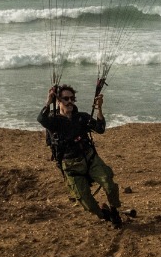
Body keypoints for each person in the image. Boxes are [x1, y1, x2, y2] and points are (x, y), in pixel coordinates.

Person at [38, 80, 124, 227]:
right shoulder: (53, 121)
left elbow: (100, 128)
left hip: (89, 158)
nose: (69, 101)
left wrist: (99, 109)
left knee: (109, 184)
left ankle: (114, 210)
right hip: (71, 166)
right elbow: (41, 119)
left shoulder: (81, 117)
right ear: (58, 101)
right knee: (87, 203)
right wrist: (48, 101)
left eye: (72, 98)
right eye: (66, 98)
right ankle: (105, 214)